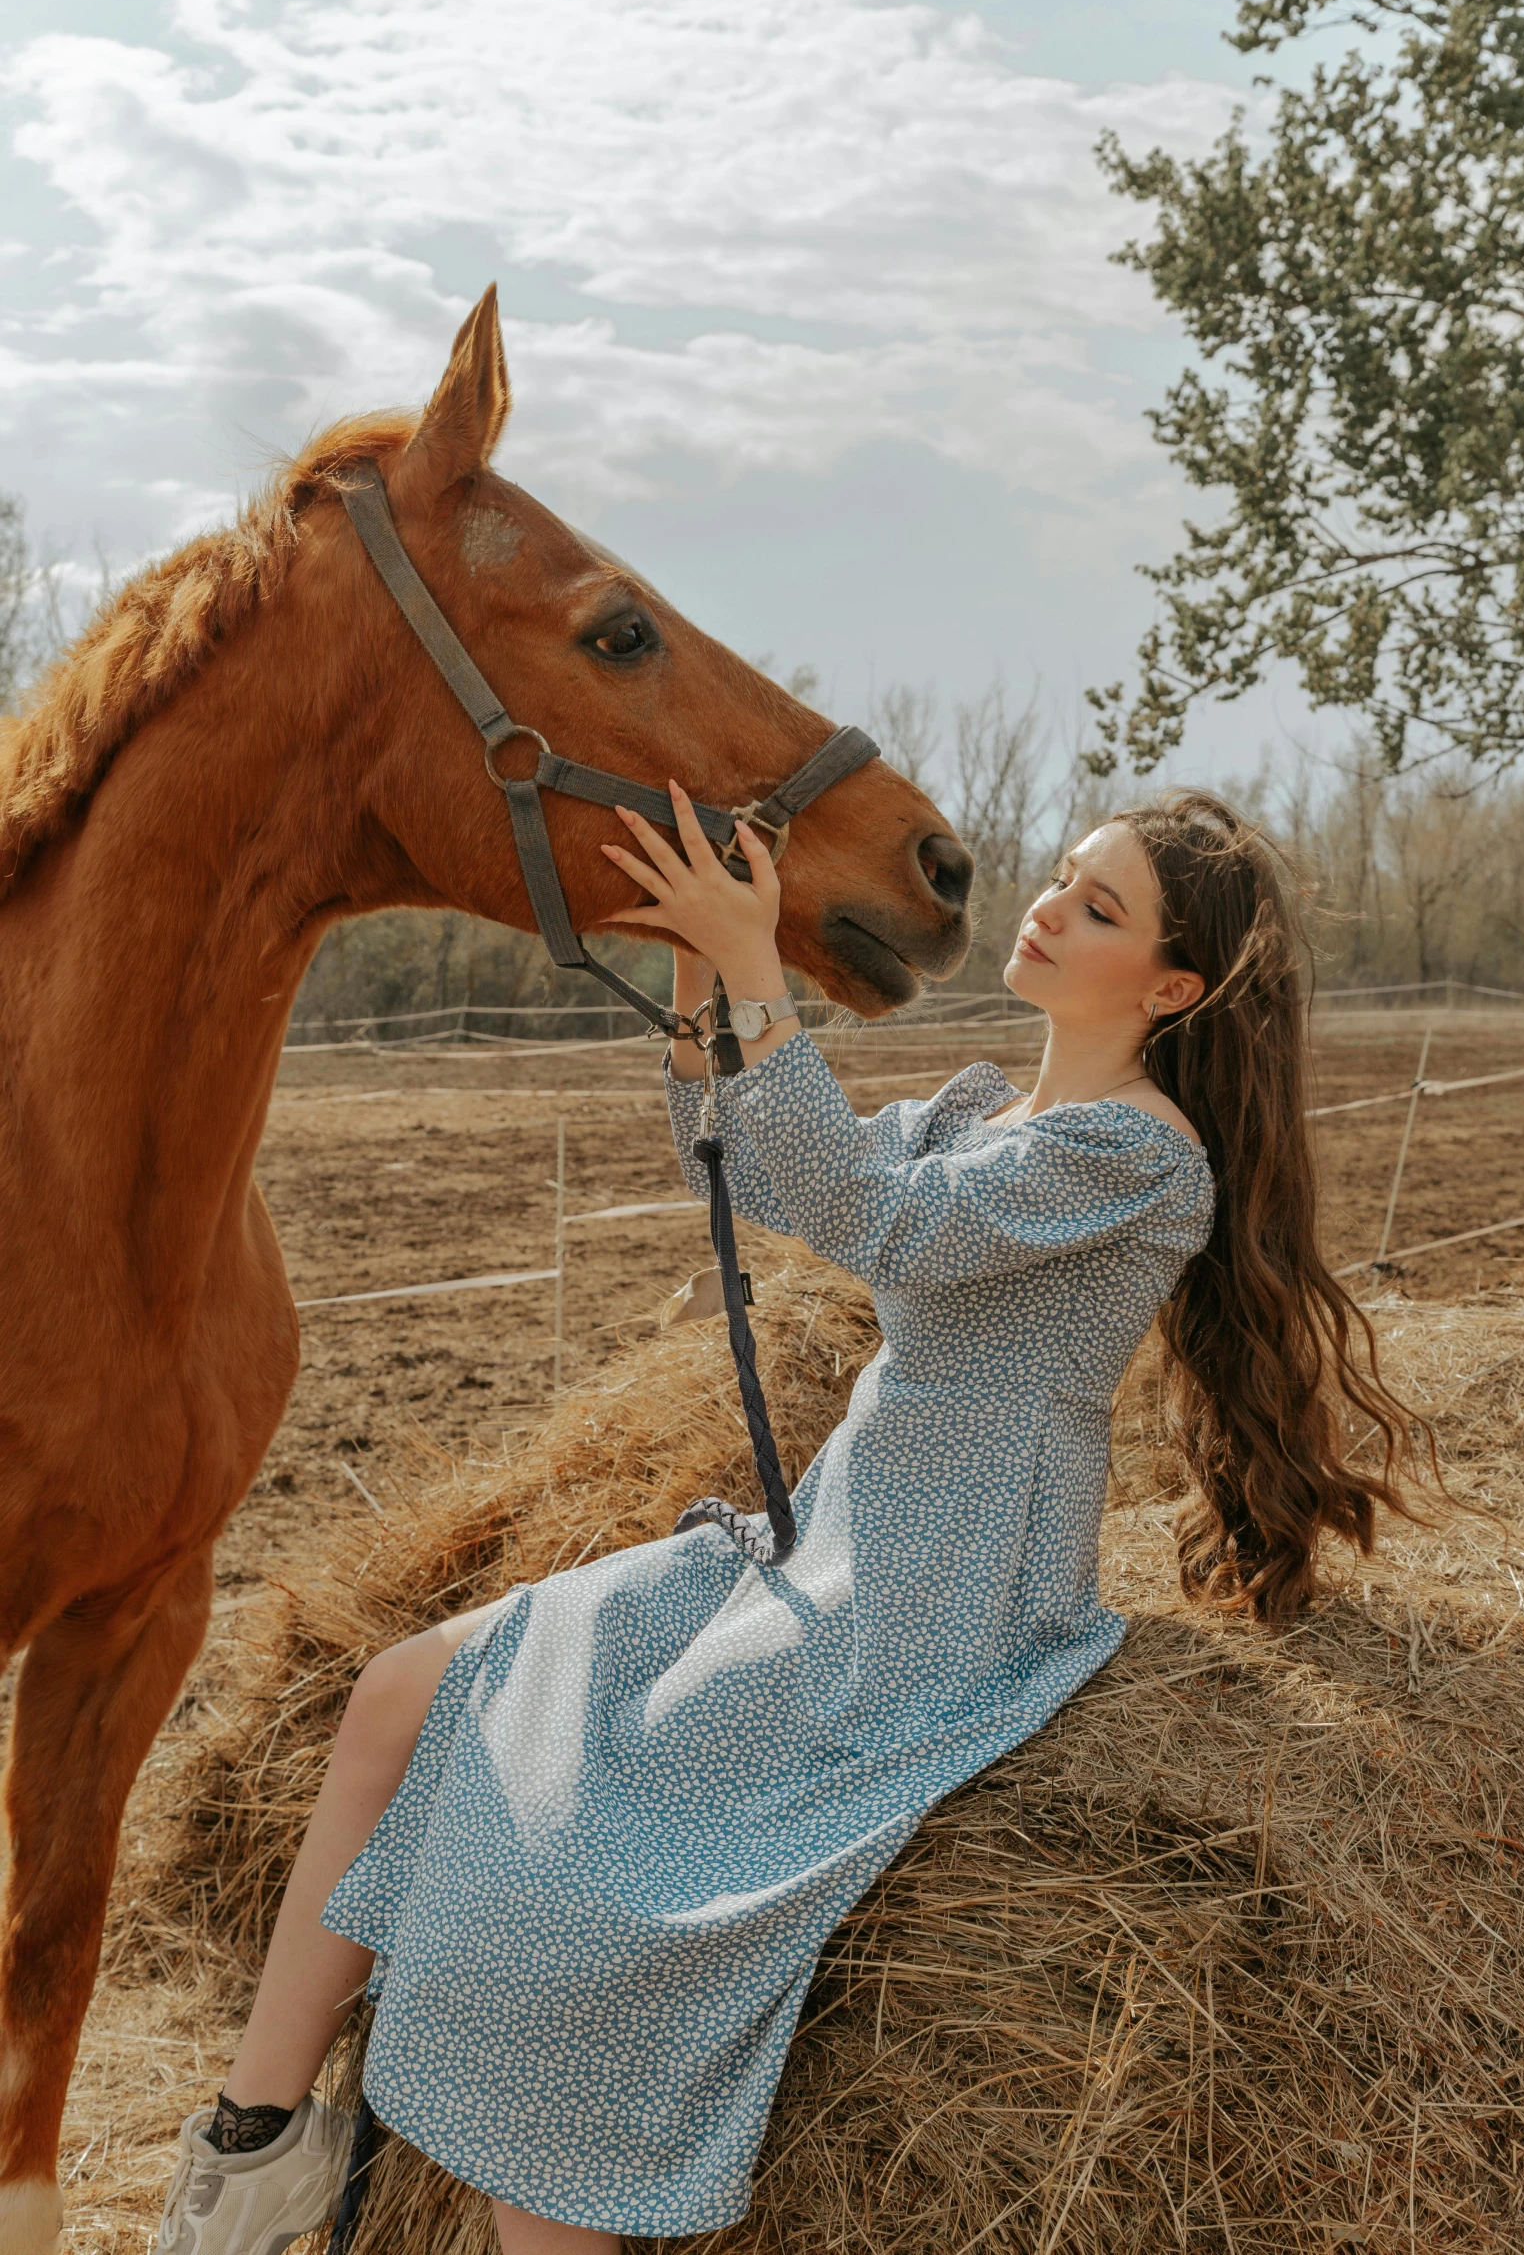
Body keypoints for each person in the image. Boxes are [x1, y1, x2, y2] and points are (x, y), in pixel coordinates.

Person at [153, 786, 1425, 2255]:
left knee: (572, 1912)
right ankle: (252, 2160)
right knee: (398, 1692)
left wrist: (758, 968)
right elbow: (755, 1162)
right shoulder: (976, 1108)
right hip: (827, 1533)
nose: (1047, 905)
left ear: (1170, 987)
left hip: (940, 1590)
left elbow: (880, 1223)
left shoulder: (1137, 1157)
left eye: (1097, 906)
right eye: (1063, 879)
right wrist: (699, 977)